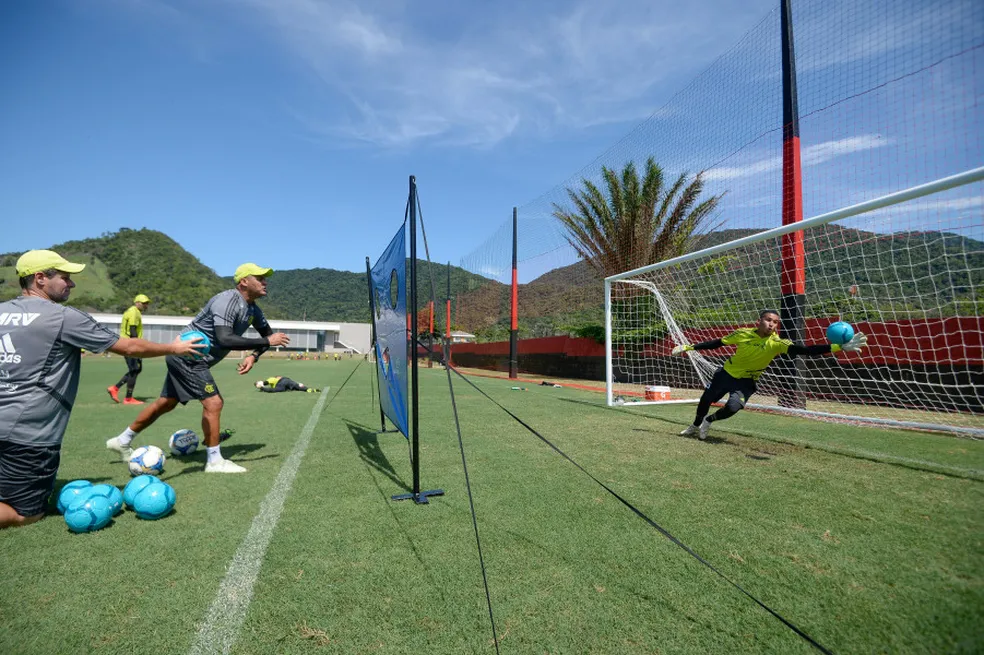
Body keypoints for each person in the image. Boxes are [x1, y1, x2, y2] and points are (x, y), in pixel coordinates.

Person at [0, 250, 205, 529]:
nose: (71, 284)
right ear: (39, 279)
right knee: (26, 513)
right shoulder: (62, 317)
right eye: (65, 278)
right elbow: (129, 346)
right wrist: (175, 347)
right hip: (28, 434)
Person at [106, 263, 290, 473]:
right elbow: (225, 338)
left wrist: (254, 355)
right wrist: (266, 340)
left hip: (188, 359)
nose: (265, 282)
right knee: (214, 402)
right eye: (260, 278)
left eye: (265, 278)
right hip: (188, 357)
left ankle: (122, 440)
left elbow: (268, 338)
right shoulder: (228, 300)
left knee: (166, 403)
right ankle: (214, 461)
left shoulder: (253, 310)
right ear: (244, 282)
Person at [672, 309, 867, 440]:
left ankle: (709, 421)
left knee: (733, 407)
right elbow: (717, 343)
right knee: (705, 399)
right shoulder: (742, 333)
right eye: (768, 320)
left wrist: (839, 346)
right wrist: (689, 347)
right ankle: (695, 425)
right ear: (759, 321)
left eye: (775, 322)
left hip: (747, 381)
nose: (772, 324)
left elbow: (805, 350)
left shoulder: (777, 343)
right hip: (726, 374)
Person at [107, 293, 152, 405]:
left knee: (136, 369)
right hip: (129, 345)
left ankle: (115, 389)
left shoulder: (135, 312)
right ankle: (128, 398)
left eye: (147, 303)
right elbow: (132, 329)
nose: (146, 305)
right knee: (134, 370)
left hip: (129, 344)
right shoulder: (133, 312)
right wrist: (137, 346)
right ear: (137, 303)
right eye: (144, 303)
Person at [254, 376, 319, 393]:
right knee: (296, 386)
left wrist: (261, 387)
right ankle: (307, 389)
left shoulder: (272, 379)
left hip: (281, 383)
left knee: (274, 390)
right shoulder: (278, 377)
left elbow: (265, 383)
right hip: (288, 380)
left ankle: (263, 389)